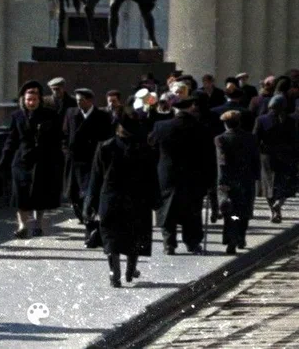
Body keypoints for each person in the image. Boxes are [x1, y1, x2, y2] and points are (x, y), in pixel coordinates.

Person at [85, 116, 159, 287]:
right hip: (137, 198)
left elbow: (95, 178)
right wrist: (155, 199)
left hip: (110, 197)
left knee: (111, 235)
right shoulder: (144, 147)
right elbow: (152, 177)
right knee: (134, 235)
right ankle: (130, 269)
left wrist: (90, 202)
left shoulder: (105, 147)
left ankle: (114, 271)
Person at [150, 86, 215, 255]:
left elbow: (151, 149)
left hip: (167, 174)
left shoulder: (161, 126)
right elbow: (208, 157)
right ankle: (192, 243)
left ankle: (169, 243)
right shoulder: (202, 128)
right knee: (192, 211)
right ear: (191, 108)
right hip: (193, 176)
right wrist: (210, 181)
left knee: (166, 209)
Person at [0, 81, 64, 237]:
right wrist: (3, 160)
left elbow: (57, 138)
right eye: (28, 100)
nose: (31, 103)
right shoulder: (17, 116)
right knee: (21, 195)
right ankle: (22, 226)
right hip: (21, 161)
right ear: (23, 100)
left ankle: (38, 224)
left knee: (40, 195)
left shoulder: (50, 115)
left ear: (39, 100)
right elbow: (11, 139)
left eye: (34, 100)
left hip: (42, 161)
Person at [61, 87, 113, 232]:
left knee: (89, 191)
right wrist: (66, 151)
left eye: (81, 100)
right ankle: (83, 216)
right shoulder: (71, 113)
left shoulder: (102, 116)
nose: (78, 103)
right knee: (74, 193)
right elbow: (65, 134)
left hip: (92, 160)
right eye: (77, 100)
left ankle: (89, 219)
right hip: (74, 159)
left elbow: (107, 137)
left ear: (90, 100)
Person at [215, 110, 260, 254]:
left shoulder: (221, 139)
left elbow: (222, 162)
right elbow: (255, 160)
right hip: (247, 180)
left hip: (229, 180)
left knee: (231, 213)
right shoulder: (251, 138)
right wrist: (256, 177)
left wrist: (222, 182)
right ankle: (241, 237)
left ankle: (232, 239)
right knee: (244, 211)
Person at [254, 96, 299, 223]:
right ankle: (279, 204)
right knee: (284, 183)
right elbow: (295, 140)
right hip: (285, 155)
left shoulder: (261, 119)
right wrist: (298, 156)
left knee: (269, 184)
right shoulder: (290, 120)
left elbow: (256, 139)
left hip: (267, 156)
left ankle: (273, 211)